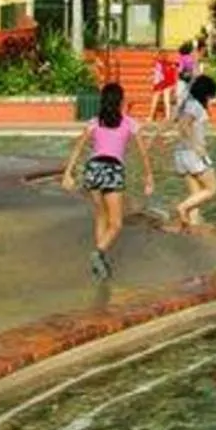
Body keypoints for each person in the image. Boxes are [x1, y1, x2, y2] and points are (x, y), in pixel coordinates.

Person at [62, 84, 155, 282]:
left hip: (94, 169)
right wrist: (148, 176)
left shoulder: (95, 122)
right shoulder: (130, 123)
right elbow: (143, 152)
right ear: (121, 101)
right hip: (113, 170)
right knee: (117, 223)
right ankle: (98, 252)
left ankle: (100, 263)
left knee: (101, 216)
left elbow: (78, 149)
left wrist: (68, 174)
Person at [169, 74, 216, 230]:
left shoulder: (187, 104)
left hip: (182, 154)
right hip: (193, 154)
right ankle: (182, 208)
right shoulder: (195, 106)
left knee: (195, 193)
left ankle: (193, 225)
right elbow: (184, 125)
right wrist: (197, 146)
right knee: (212, 188)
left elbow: (176, 122)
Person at [148, 52, 177, 121]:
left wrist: (152, 80)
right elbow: (173, 75)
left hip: (161, 85)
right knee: (165, 101)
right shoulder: (169, 65)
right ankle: (167, 117)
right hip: (166, 85)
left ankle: (151, 117)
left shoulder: (158, 65)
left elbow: (157, 76)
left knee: (156, 101)